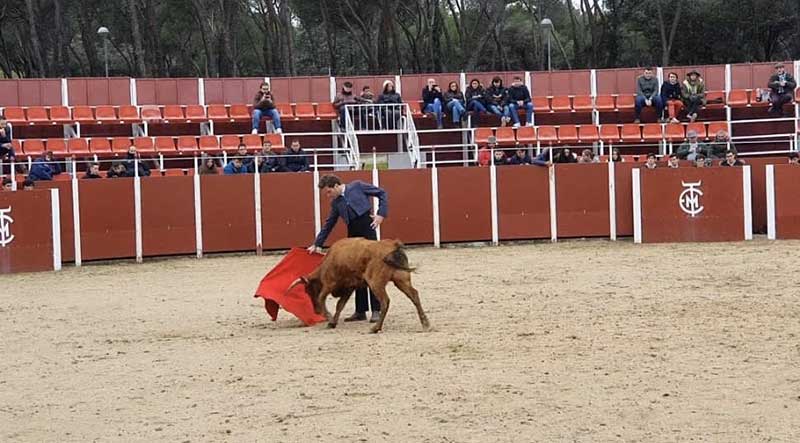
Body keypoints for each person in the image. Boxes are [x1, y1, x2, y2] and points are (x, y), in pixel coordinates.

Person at [308, 174, 388, 323]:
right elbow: (329, 224)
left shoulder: (357, 186)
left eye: (329, 192)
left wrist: (380, 214)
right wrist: (317, 243)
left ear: (336, 186)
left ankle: (376, 310)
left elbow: (382, 193)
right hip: (353, 235)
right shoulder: (336, 203)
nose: (328, 196)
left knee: (372, 270)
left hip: (368, 229)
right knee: (356, 272)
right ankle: (360, 311)